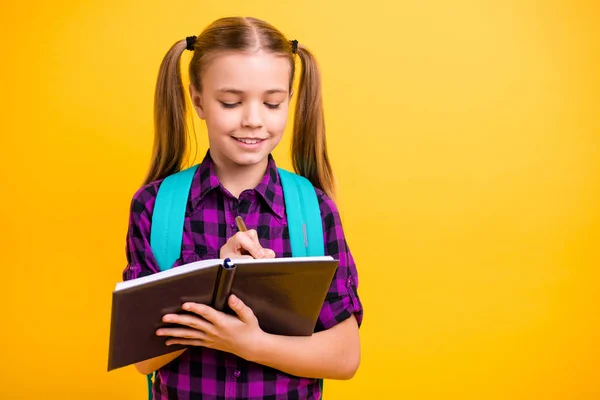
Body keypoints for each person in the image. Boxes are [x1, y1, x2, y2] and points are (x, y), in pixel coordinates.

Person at [122, 16, 363, 400]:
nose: (253, 120)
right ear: (198, 100)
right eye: (231, 102)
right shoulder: (154, 207)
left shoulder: (315, 211)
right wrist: (215, 280)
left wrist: (250, 343)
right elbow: (143, 360)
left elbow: (345, 356)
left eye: (272, 103)